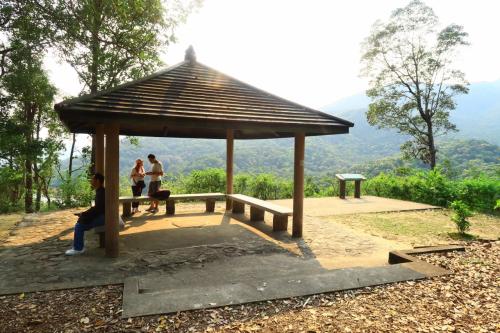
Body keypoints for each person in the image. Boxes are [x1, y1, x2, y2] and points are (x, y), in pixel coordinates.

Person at [65, 173, 105, 256]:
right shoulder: (100, 191)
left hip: (104, 217)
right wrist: (83, 214)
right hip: (103, 215)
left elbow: (97, 210)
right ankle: (78, 247)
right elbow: (97, 208)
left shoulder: (101, 192)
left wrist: (83, 215)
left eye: (92, 179)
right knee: (81, 221)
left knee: (79, 226)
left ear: (97, 181)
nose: (90, 181)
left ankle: (78, 249)